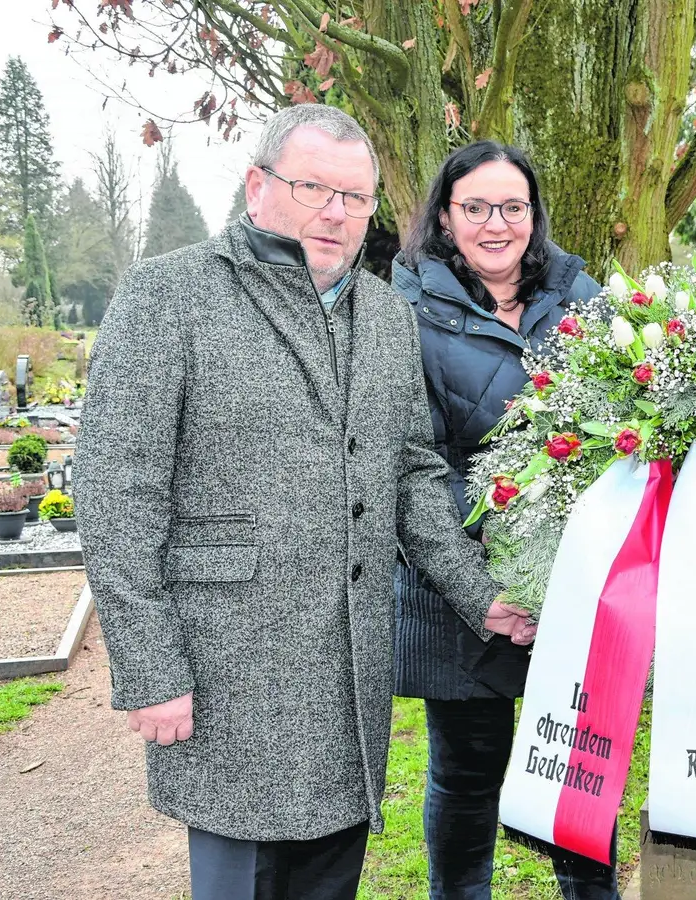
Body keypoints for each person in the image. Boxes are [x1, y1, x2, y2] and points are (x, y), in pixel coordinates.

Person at [74, 104, 535, 900]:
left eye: (356, 197)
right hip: (228, 674)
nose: (336, 212)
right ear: (258, 187)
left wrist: (481, 597)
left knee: (331, 877)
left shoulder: (388, 318)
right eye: (314, 186)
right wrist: (149, 667)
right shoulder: (169, 297)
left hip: (347, 670)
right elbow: (117, 495)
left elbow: (414, 476)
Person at [390, 141, 617, 899]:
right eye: (476, 207)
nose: (497, 223)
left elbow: (622, 435)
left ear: (534, 215)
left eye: (513, 207)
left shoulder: (586, 299)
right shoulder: (405, 312)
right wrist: (497, 577)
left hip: (575, 587)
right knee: (467, 777)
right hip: (460, 589)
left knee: (580, 772)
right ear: (445, 220)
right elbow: (412, 463)